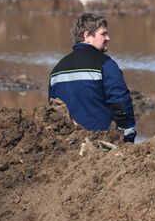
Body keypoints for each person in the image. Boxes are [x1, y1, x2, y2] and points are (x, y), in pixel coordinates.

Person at [49, 12, 136, 141]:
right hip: (101, 145)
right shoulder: (106, 64)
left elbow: (52, 113)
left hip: (66, 145)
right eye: (103, 34)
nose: (108, 38)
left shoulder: (56, 70)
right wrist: (128, 136)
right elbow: (120, 102)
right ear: (87, 36)